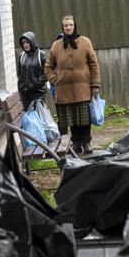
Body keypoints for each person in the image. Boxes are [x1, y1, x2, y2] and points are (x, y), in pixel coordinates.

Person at [45, 15, 101, 155]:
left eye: (70, 25)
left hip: (83, 88)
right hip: (64, 90)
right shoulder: (56, 45)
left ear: (74, 26)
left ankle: (86, 143)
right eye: (66, 26)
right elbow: (48, 66)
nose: (68, 27)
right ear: (62, 28)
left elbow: (94, 65)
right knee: (72, 118)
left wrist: (95, 85)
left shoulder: (85, 42)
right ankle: (76, 143)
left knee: (84, 118)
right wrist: (54, 79)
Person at [17, 32, 48, 111]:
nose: (25, 45)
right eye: (23, 43)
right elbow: (19, 72)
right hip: (25, 93)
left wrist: (37, 83)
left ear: (32, 42)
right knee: (29, 117)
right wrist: (21, 85)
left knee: (39, 117)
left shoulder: (41, 55)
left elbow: (47, 72)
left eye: (27, 42)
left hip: (38, 93)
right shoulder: (22, 55)